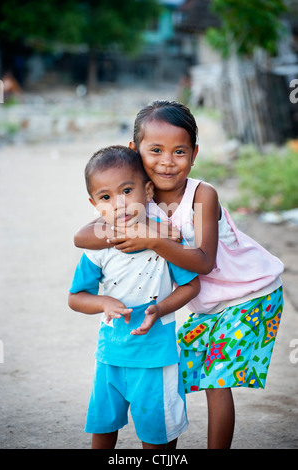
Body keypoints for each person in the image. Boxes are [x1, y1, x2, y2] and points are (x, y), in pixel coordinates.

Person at [74, 101, 284, 449]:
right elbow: (82, 236)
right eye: (155, 150)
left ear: (195, 153)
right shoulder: (139, 199)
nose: (167, 161)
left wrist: (153, 238)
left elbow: (203, 262)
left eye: (179, 151)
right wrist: (137, 230)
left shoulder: (202, 195)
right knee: (188, 370)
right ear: (135, 151)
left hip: (251, 294)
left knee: (217, 380)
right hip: (208, 303)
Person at [68, 145, 200, 449]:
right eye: (106, 197)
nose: (119, 204)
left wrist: (159, 307)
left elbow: (191, 287)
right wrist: (103, 302)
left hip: (156, 356)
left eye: (127, 190)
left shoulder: (164, 241)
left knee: (157, 435)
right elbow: (76, 297)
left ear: (148, 190)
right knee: (103, 427)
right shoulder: (99, 247)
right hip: (110, 354)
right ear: (94, 204)